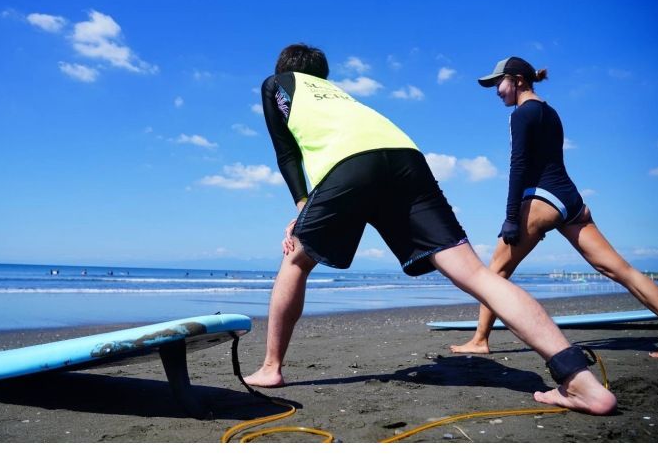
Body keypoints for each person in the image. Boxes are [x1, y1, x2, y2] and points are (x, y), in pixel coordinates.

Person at [245, 44, 617, 415]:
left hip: (349, 165)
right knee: (475, 274)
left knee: (296, 259)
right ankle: (580, 382)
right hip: (406, 158)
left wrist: (301, 208)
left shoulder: (278, 84)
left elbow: (287, 154)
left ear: (285, 68)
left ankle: (271, 367)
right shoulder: (342, 96)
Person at [449, 57, 658, 358]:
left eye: (499, 82)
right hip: (571, 200)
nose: (496, 90)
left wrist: (510, 218)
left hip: (542, 199)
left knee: (494, 273)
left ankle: (480, 340)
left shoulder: (521, 114)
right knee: (617, 268)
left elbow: (518, 166)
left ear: (518, 80)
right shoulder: (550, 111)